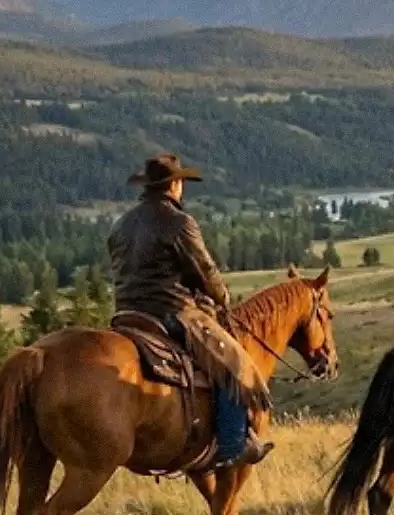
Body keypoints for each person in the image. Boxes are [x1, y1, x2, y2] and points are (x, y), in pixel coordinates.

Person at [107, 153, 273, 467]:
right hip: (172, 311)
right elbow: (205, 271)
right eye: (180, 181)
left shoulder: (121, 224)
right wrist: (221, 297)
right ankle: (232, 445)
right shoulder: (179, 222)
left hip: (128, 314)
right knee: (235, 364)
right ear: (174, 185)